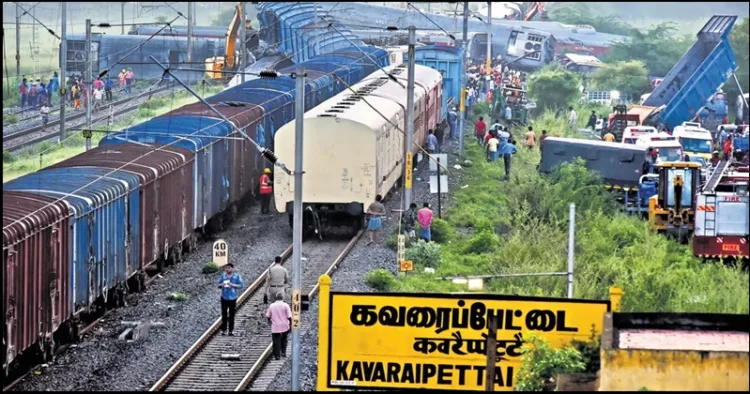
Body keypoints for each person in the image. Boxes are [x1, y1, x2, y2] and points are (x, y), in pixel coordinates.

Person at [216, 263, 244, 336]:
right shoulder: (223, 276)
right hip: (224, 297)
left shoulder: (237, 276)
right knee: (224, 314)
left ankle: (231, 330)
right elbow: (218, 284)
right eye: (226, 268)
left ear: (232, 268)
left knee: (232, 315)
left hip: (233, 297)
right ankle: (224, 330)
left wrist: (232, 285)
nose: (227, 269)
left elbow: (241, 285)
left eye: (229, 268)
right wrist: (221, 285)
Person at [265, 291, 292, 360]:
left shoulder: (272, 305)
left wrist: (269, 322)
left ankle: (277, 355)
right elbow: (289, 316)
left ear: (276, 298)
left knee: (276, 341)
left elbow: (268, 316)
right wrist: (290, 325)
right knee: (284, 339)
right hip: (284, 325)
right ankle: (283, 352)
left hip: (275, 326)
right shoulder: (285, 305)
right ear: (282, 298)